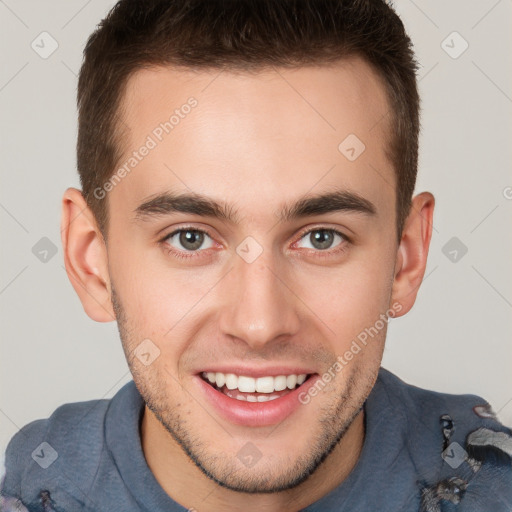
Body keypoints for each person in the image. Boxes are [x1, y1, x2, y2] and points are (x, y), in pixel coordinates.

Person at [1, 1, 511, 511]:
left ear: (406, 259)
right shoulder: (36, 491)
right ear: (93, 262)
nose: (259, 324)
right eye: (190, 238)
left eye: (321, 238)